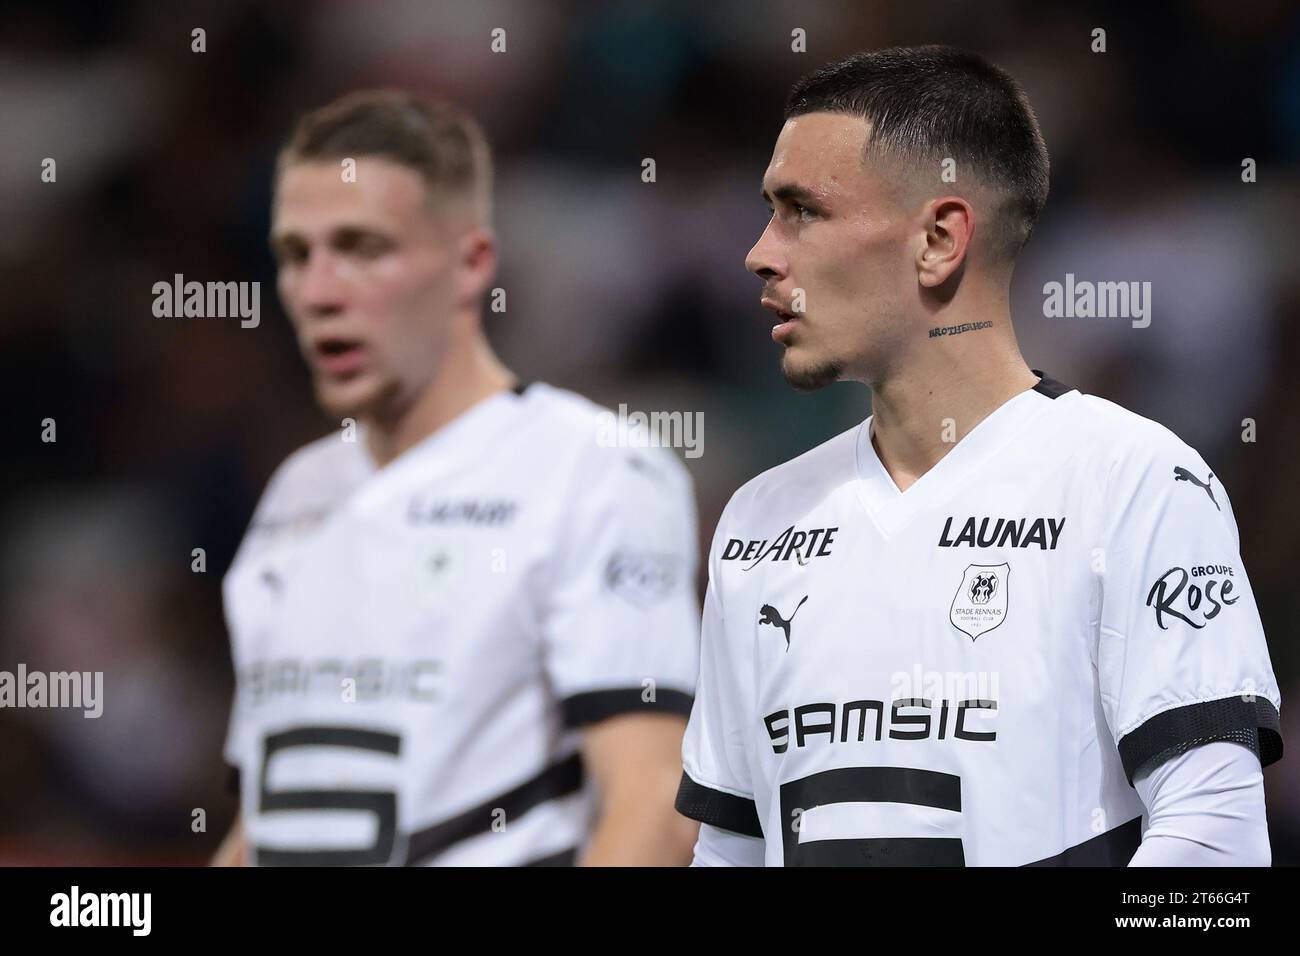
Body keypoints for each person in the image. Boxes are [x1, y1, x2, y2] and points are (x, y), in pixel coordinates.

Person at [675, 46, 1282, 866]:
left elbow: (1216, 837)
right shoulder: (757, 520)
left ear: (937, 237)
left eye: (801, 211)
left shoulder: (1133, 482)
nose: (760, 252)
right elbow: (728, 849)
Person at [212, 90, 700, 866]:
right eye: (296, 255)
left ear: (472, 263)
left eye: (362, 247)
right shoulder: (296, 492)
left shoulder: (595, 469)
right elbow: (262, 824)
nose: (318, 292)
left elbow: (653, 803)